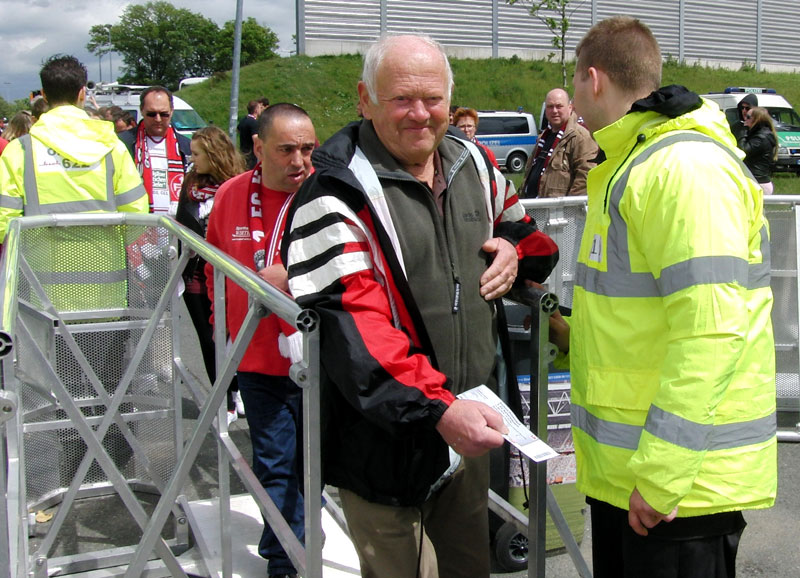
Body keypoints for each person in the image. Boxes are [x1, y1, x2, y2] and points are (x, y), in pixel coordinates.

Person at [281, 34, 559, 578]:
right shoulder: (332, 194)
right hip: (386, 443)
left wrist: (513, 249)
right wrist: (438, 410)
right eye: (400, 99)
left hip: (469, 428)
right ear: (365, 99)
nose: (419, 114)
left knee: (468, 567)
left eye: (432, 99)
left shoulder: (474, 162)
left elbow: (533, 238)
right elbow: (357, 336)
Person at [552, 16, 776, 578]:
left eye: (574, 83)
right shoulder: (638, 162)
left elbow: (711, 332)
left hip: (676, 496)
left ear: (594, 79)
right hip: (638, 485)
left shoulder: (683, 169)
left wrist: (661, 476)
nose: (573, 98)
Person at [205, 103, 315, 578]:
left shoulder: (324, 196)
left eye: (307, 149)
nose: (299, 161)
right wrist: (222, 329)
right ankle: (285, 562)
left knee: (312, 465)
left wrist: (293, 274)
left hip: (317, 359)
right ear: (258, 147)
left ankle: (292, 537)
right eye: (286, 149)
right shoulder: (230, 195)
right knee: (274, 463)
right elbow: (213, 268)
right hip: (256, 360)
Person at [0, 54, 147, 244]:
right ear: (82, 93)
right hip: (105, 267)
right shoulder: (112, 147)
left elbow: (4, 223)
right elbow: (137, 213)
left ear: (44, 95)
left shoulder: (20, 150)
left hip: (38, 270)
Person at [175, 126, 246, 426]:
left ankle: (239, 388)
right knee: (208, 339)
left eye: (197, 154)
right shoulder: (190, 183)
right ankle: (225, 400)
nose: (192, 160)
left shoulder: (238, 185)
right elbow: (181, 222)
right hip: (195, 273)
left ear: (214, 155)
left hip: (229, 273)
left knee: (234, 335)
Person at [520, 88, 597, 198]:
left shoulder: (581, 138)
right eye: (550, 107)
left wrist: (569, 208)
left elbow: (586, 177)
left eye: (559, 106)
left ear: (570, 108)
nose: (554, 111)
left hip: (559, 212)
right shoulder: (542, 138)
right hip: (532, 208)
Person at [129, 85, 192, 215]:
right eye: (151, 114)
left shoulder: (186, 147)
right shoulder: (125, 144)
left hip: (175, 227)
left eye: (164, 114)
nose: (158, 119)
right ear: (141, 110)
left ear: (172, 111)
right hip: (138, 224)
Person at [739, 105, 778, 195]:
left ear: (757, 119)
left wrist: (743, 132)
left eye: (748, 117)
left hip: (759, 182)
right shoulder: (758, 134)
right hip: (755, 180)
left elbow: (743, 151)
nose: (745, 119)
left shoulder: (761, 137)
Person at [237, 99, 262, 170]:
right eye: (259, 108)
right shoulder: (254, 123)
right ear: (256, 110)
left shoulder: (243, 120)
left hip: (242, 151)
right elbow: (255, 139)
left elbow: (238, 130)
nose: (260, 110)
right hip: (251, 153)